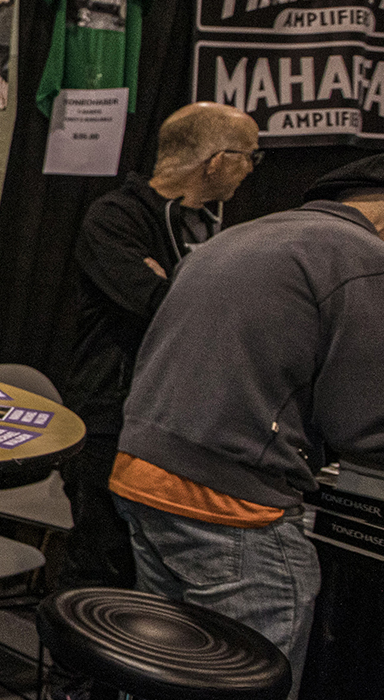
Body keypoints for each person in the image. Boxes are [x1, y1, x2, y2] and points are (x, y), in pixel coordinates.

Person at [110, 152, 384, 700]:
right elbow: (373, 431)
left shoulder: (242, 234)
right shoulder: (375, 265)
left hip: (144, 478)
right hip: (232, 506)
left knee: (174, 695)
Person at [61, 104, 261, 610]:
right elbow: (158, 306)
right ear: (216, 161)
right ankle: (78, 682)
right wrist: (186, 295)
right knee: (101, 558)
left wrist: (175, 286)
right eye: (249, 156)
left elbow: (230, 316)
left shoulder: (220, 230)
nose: (253, 168)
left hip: (182, 420)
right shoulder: (117, 216)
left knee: (155, 569)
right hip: (112, 412)